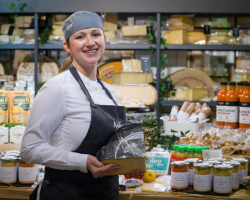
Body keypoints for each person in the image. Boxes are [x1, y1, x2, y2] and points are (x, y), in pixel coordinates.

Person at [21, 11, 144, 200]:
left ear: (104, 39)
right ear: (67, 46)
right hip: (66, 193)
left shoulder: (110, 93)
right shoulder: (57, 87)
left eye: (96, 34)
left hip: (107, 194)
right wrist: (82, 161)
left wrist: (128, 165)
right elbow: (29, 149)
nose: (90, 42)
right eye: (80, 36)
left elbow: (112, 149)